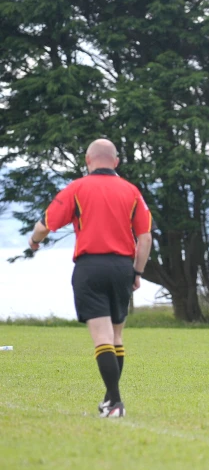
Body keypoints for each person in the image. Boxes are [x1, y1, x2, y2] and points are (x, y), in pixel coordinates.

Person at [28, 139, 153, 417]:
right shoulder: (132, 192)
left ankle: (116, 403)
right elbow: (144, 238)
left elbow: (45, 224)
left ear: (87, 160)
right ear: (116, 162)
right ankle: (110, 399)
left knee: (101, 337)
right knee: (116, 336)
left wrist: (34, 242)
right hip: (122, 266)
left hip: (90, 266)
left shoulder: (76, 189)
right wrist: (137, 272)